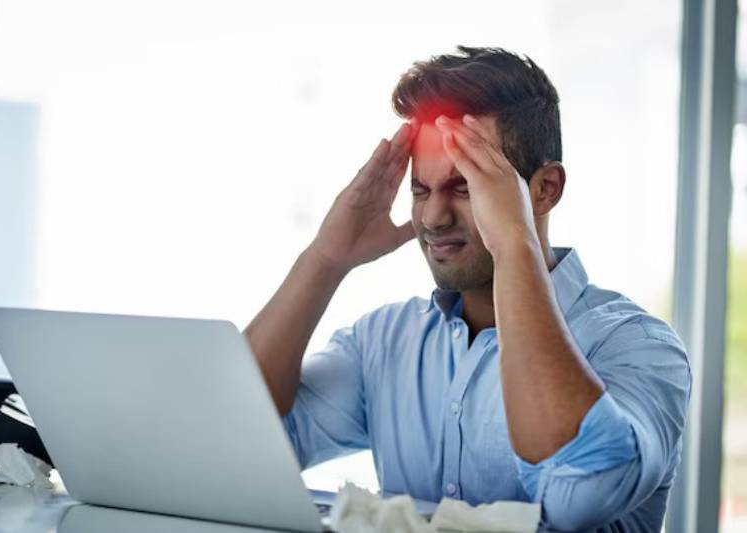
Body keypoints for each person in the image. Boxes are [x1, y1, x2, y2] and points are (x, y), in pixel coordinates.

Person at [244, 46, 691, 532]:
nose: (434, 218)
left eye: (465, 187)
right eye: (420, 190)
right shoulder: (383, 341)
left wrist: (514, 245)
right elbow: (242, 439)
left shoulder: (639, 346)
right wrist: (324, 260)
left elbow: (579, 495)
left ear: (545, 189)